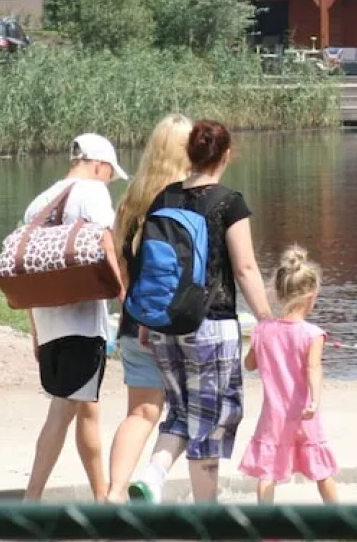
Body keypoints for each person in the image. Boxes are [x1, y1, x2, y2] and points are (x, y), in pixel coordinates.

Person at [126, 120, 273, 504]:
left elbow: (148, 261)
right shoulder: (228, 202)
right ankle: (207, 515)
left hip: (163, 323)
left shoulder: (163, 199)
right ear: (226, 155)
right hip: (211, 325)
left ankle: (154, 477)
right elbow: (244, 269)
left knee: (179, 412)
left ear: (190, 154)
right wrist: (267, 321)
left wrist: (145, 319)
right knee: (209, 422)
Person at [23, 133, 129, 501]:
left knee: (87, 410)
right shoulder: (92, 192)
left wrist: (34, 331)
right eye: (109, 174)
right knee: (64, 410)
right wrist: (124, 291)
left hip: (48, 321)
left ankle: (103, 496)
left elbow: (29, 270)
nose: (108, 182)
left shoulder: (41, 201)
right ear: (99, 164)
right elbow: (106, 243)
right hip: (82, 321)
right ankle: (32, 499)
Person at [104, 113, 193, 503]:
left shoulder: (130, 202)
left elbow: (120, 271)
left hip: (133, 321)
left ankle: (114, 491)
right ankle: (157, 479)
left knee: (141, 413)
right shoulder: (188, 199)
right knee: (192, 411)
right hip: (176, 323)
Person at [240, 246, 340, 504]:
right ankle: (340, 520)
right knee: (321, 470)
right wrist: (314, 401)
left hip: (273, 415)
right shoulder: (312, 334)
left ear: (279, 292)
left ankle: (265, 526)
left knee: (267, 472)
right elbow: (313, 369)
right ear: (311, 295)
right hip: (304, 413)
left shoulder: (262, 331)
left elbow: (249, 364)